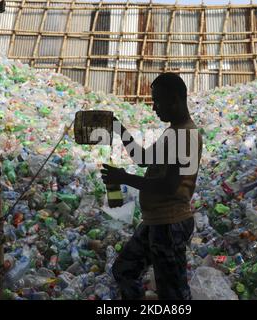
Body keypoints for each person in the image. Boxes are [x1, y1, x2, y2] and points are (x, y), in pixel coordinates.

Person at [100, 73, 203, 300]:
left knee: (173, 294)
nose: (154, 107)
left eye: (158, 101)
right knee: (124, 271)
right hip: (156, 222)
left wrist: (124, 178)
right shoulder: (173, 132)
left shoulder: (186, 135)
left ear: (174, 100)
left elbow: (169, 186)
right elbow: (143, 158)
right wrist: (119, 128)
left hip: (170, 223)